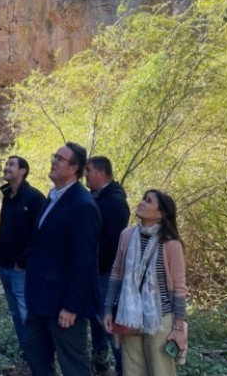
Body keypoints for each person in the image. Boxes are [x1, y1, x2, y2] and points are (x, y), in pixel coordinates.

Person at [23, 142, 101, 376]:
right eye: (54, 156)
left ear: (74, 168)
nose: (54, 161)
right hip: (40, 299)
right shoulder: (54, 196)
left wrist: (71, 306)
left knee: (73, 366)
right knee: (37, 358)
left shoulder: (82, 205)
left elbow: (84, 262)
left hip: (63, 305)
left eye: (60, 158)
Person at [103, 190, 188, 376]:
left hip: (159, 319)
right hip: (129, 316)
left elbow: (180, 289)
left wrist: (179, 327)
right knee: (132, 371)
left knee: (160, 371)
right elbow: (116, 272)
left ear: (160, 214)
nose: (142, 203)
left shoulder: (171, 244)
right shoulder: (127, 235)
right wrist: (108, 308)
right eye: (143, 199)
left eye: (148, 201)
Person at [0, 155, 46, 352]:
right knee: (15, 311)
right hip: (3, 264)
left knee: (26, 312)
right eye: (6, 164)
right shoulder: (8, 195)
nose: (6, 167)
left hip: (21, 269)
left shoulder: (34, 198)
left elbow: (40, 235)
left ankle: (38, 353)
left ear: (22, 171)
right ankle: (27, 351)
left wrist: (23, 261)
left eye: (11, 165)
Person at [85, 156, 130, 376]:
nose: (85, 175)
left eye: (89, 171)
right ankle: (100, 362)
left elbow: (111, 243)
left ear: (101, 174)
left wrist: (93, 265)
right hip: (96, 272)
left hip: (106, 273)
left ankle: (123, 368)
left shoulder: (114, 202)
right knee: (97, 320)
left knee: (109, 322)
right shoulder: (99, 197)